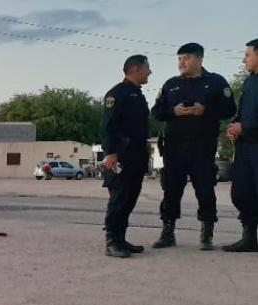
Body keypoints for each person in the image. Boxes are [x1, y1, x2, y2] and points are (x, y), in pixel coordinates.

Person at [151, 43, 237, 250]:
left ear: (199, 59)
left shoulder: (216, 82)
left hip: (203, 146)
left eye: (186, 58)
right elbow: (156, 111)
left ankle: (207, 234)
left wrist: (205, 110)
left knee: (205, 189)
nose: (181, 63)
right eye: (179, 59)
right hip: (175, 146)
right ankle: (168, 232)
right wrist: (174, 111)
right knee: (171, 189)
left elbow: (229, 109)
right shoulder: (171, 84)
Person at [101, 55, 152, 258]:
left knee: (130, 197)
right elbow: (108, 126)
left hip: (136, 155)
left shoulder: (137, 94)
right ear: (136, 69)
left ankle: (121, 239)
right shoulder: (117, 94)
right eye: (148, 68)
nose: (150, 72)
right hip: (121, 155)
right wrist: (111, 153)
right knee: (119, 198)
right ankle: (112, 241)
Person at [223, 39, 258, 252]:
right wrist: (234, 126)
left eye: (248, 54)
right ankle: (249, 238)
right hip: (246, 148)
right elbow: (243, 111)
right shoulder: (249, 81)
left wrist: (244, 127)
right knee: (242, 192)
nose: (244, 59)